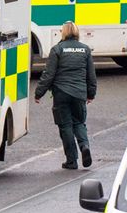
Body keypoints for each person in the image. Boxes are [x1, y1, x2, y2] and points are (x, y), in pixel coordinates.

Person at [35, 21, 96, 170]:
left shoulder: (57, 50)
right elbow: (91, 75)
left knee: (65, 125)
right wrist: (91, 94)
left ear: (63, 32)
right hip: (79, 93)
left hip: (61, 93)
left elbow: (49, 75)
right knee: (79, 123)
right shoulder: (85, 50)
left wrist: (39, 93)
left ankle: (71, 160)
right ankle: (84, 146)